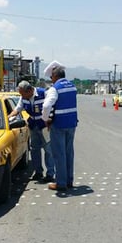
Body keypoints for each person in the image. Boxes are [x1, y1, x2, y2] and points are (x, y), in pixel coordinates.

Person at [8, 80, 55, 182]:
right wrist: (8, 118)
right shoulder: (23, 98)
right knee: (34, 150)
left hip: (44, 126)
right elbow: (17, 110)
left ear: (29, 90)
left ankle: (50, 173)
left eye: (22, 94)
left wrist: (50, 120)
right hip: (33, 127)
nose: (22, 96)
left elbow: (52, 106)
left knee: (48, 150)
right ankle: (38, 172)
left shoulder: (43, 93)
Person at [42, 61, 78, 191]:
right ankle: (69, 180)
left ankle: (61, 183)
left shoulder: (55, 89)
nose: (51, 80)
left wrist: (45, 119)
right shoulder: (73, 86)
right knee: (69, 153)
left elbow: (46, 106)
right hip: (72, 124)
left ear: (55, 76)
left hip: (59, 125)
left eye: (51, 77)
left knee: (59, 154)